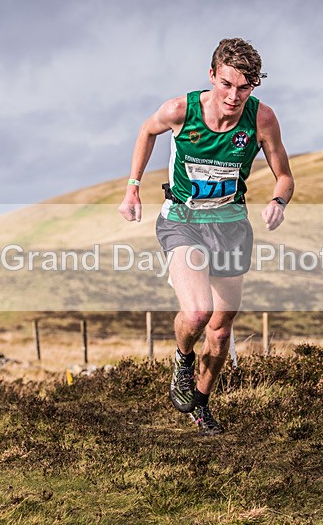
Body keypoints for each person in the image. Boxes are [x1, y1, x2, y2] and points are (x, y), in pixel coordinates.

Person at [118, 38, 294, 436]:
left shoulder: (262, 119)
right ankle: (182, 360)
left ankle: (200, 401)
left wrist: (278, 202)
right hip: (182, 219)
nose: (234, 96)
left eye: (245, 87)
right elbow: (147, 132)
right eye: (227, 84)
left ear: (254, 86)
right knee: (197, 314)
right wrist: (133, 186)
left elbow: (285, 176)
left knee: (220, 328)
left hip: (231, 225)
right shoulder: (181, 110)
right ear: (212, 75)